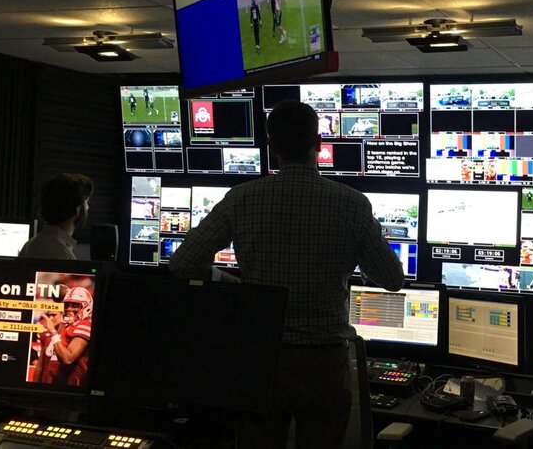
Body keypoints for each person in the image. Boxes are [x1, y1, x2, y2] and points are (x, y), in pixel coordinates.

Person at [170, 100, 404, 449]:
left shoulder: (241, 198)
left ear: (272, 146)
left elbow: (183, 263)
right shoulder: (353, 204)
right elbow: (392, 278)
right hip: (323, 362)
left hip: (261, 358)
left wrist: (232, 282)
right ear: (320, 144)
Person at [19, 173, 94, 260]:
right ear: (78, 210)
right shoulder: (64, 257)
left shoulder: (29, 245)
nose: (88, 207)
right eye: (86, 203)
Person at [37, 287, 92, 386]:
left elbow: (67, 359)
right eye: (67, 305)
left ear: (86, 306)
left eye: (75, 305)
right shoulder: (68, 326)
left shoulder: (85, 325)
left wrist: (53, 332)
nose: (69, 308)